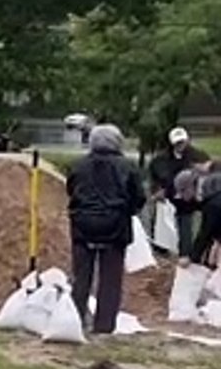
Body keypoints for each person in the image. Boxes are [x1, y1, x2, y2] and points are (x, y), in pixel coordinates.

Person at [65, 124, 146, 334]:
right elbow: (138, 197)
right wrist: (129, 210)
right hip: (115, 225)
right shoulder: (127, 166)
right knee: (110, 279)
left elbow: (71, 189)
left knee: (81, 277)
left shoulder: (78, 165)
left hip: (83, 224)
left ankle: (74, 320)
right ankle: (104, 326)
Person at [148, 127, 210, 258]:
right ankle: (166, 248)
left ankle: (193, 253)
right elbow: (158, 175)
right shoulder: (161, 159)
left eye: (182, 142)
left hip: (193, 197)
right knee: (169, 223)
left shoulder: (198, 156)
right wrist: (157, 190)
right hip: (172, 197)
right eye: (177, 143)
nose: (180, 145)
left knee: (195, 224)